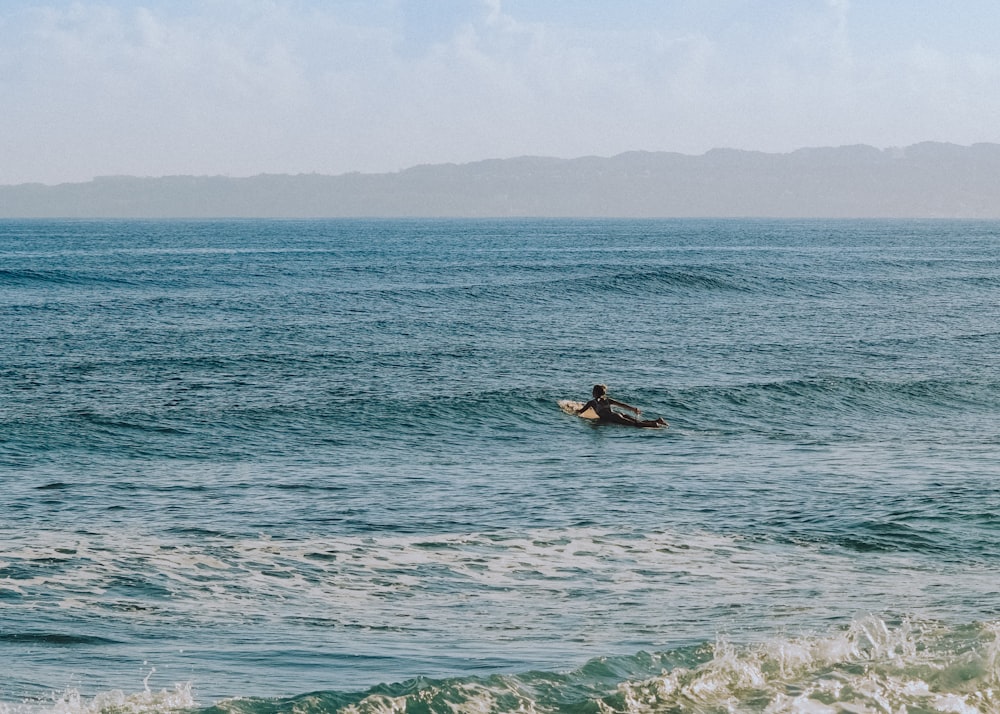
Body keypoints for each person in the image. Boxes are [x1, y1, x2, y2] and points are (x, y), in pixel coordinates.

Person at [577, 384, 667, 428]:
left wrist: (569, 409)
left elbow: (581, 411)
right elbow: (622, 405)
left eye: (593, 391)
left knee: (636, 425)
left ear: (595, 393)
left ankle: (655, 425)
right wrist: (633, 409)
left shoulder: (592, 402)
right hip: (618, 414)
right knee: (637, 422)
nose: (592, 393)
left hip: (614, 418)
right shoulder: (608, 400)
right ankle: (657, 420)